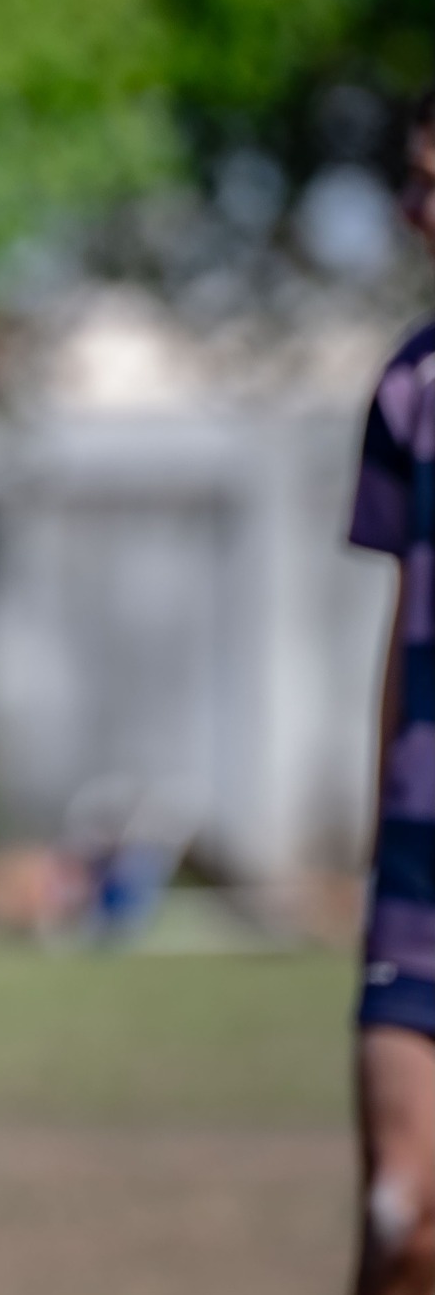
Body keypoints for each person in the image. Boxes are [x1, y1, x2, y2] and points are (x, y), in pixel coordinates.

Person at [352, 90, 435, 1295]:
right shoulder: (408, 386)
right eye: (413, 181)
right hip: (420, 872)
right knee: (398, 1221)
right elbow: (397, 623)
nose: (420, 211)